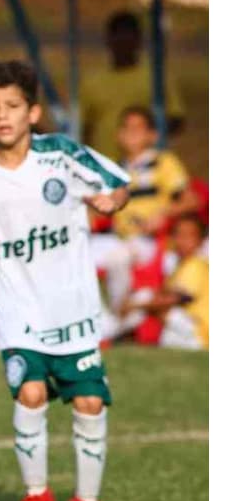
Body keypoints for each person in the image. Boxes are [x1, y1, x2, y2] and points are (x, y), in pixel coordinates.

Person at [0, 60, 132, 501]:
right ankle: (37, 496)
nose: (3, 116)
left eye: (13, 106)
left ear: (33, 111)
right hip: (16, 306)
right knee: (31, 392)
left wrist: (112, 202)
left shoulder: (63, 155)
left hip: (73, 304)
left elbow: (118, 183)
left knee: (89, 402)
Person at [93, 106, 199, 332]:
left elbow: (191, 200)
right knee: (76, 255)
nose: (131, 134)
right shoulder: (114, 168)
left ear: (152, 135)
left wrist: (162, 216)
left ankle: (118, 316)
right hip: (117, 237)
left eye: (137, 129)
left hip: (148, 240)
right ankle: (92, 319)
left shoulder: (163, 162)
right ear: (118, 135)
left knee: (118, 258)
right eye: (126, 128)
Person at [80, 11, 187, 162]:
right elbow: (82, 128)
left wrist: (145, 138)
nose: (123, 44)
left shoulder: (156, 77)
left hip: (146, 169)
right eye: (118, 38)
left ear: (138, 41)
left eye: (128, 38)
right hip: (104, 169)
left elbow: (176, 118)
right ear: (109, 41)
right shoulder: (91, 82)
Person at [120, 213, 208, 350]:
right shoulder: (180, 264)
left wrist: (136, 305)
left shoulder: (196, 264)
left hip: (199, 329)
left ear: (202, 241)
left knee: (153, 303)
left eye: (188, 236)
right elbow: (163, 292)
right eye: (177, 235)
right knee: (148, 298)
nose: (181, 241)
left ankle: (113, 333)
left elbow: (176, 298)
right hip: (186, 327)